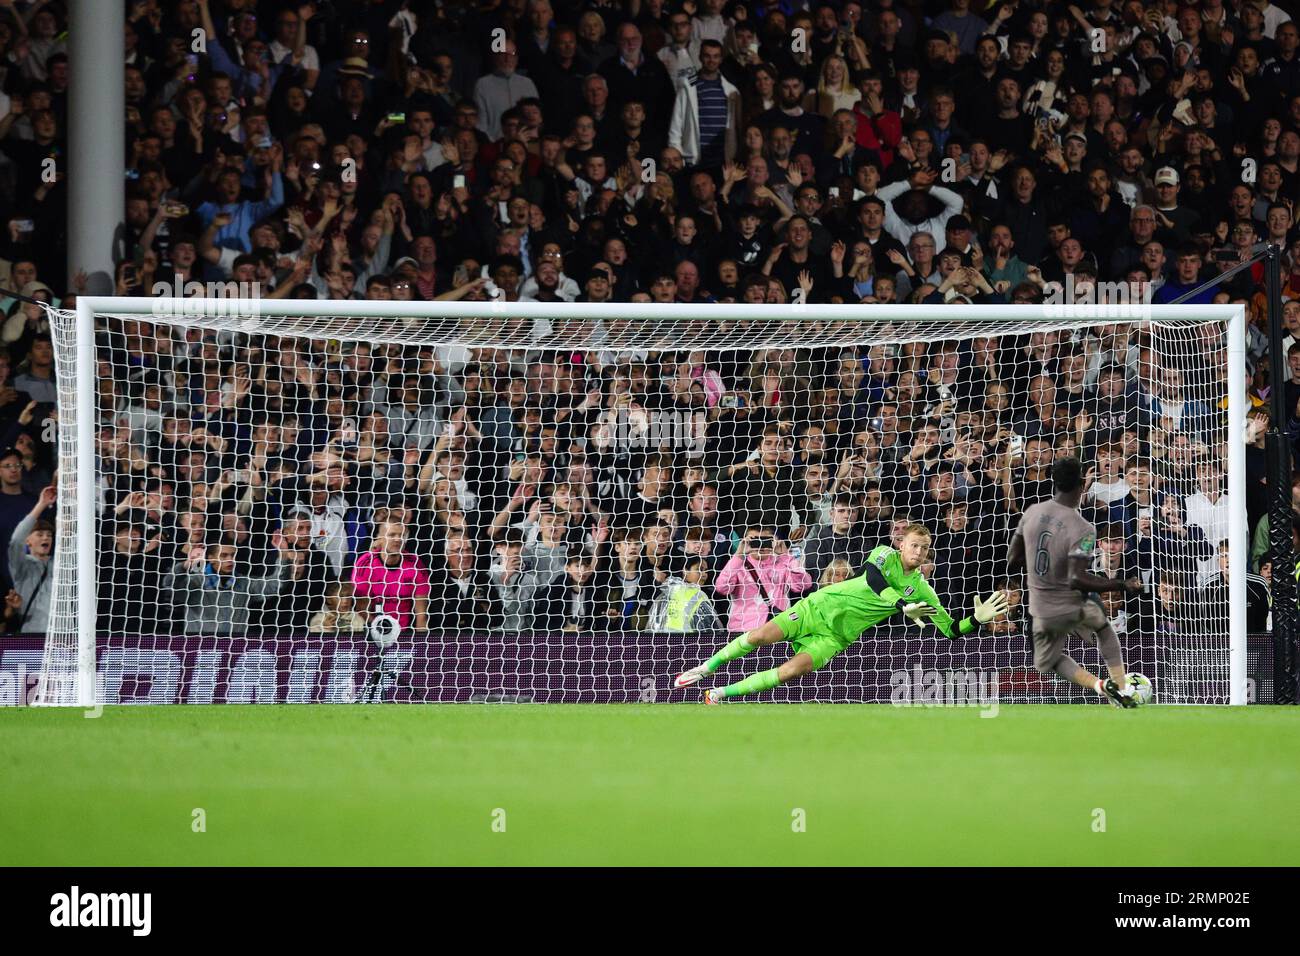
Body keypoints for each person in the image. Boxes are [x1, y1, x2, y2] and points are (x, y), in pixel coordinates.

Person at [675, 522, 1008, 702]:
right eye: (914, 545)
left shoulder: (923, 589)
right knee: (761, 636)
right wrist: (900, 604)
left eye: (924, 548)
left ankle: (718, 693)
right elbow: (875, 580)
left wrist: (976, 621)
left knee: (791, 671)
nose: (919, 552)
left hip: (836, 636)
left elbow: (950, 630)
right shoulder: (883, 555)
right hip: (818, 607)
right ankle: (705, 669)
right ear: (902, 545)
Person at [1007, 456, 1144, 707]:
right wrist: (1120, 585)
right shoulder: (1084, 527)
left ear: (1054, 482)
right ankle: (1121, 688)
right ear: (1082, 484)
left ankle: (1099, 686)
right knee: (1104, 629)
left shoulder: (1032, 513)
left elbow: (1012, 559)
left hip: (1041, 604)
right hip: (1071, 600)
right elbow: (1077, 577)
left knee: (1048, 659)